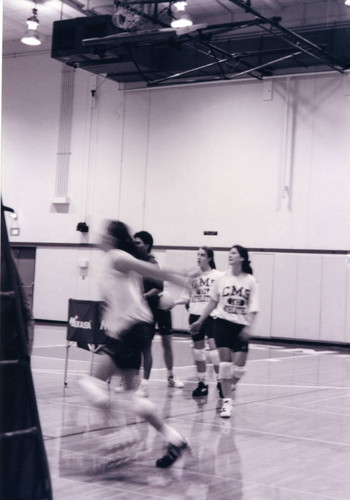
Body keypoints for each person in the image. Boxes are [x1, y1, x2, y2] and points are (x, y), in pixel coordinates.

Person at [78, 220, 190, 468]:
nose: (99, 236)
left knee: (92, 385)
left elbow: (151, 271)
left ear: (113, 238)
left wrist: (178, 276)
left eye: (104, 232)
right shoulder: (112, 262)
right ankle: (175, 440)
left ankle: (121, 440)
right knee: (132, 396)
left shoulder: (117, 257)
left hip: (130, 330)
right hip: (127, 330)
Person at [190, 245, 259, 419]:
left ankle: (229, 384)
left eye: (234, 253)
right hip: (222, 324)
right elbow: (213, 302)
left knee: (239, 371)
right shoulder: (222, 278)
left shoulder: (250, 280)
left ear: (242, 258)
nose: (230, 256)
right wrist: (200, 320)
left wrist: (248, 327)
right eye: (229, 253)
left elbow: (253, 308)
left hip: (240, 326)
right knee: (225, 366)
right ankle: (227, 403)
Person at [132, 230, 184, 398]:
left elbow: (158, 288)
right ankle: (139, 382)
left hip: (159, 309)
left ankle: (170, 375)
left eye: (138, 243)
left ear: (147, 246)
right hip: (144, 310)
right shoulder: (133, 262)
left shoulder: (151, 263)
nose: (135, 245)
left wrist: (143, 296)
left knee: (166, 344)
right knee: (143, 346)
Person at [174, 247, 223, 398]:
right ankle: (202, 384)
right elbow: (186, 297)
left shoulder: (218, 276)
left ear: (209, 258)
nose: (199, 257)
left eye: (202, 255)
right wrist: (174, 302)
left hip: (211, 316)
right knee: (198, 352)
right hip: (195, 316)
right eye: (198, 254)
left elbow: (220, 298)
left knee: (214, 352)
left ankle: (221, 382)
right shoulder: (192, 276)